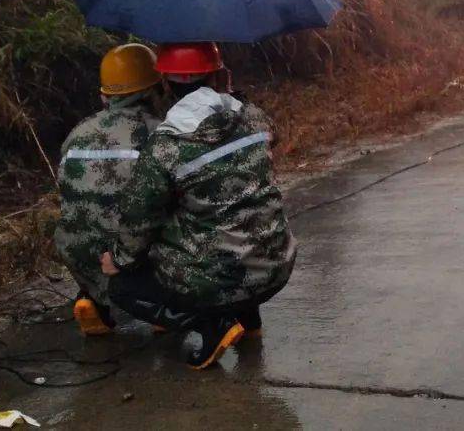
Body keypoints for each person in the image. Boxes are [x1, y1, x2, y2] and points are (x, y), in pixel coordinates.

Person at [101, 42, 297, 369]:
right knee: (239, 212)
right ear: (218, 75)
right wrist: (231, 93)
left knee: (123, 286)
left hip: (222, 285)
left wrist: (118, 259)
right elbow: (268, 137)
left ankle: (211, 327)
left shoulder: (165, 145)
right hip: (276, 269)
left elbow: (140, 220)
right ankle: (250, 322)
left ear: (164, 83)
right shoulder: (254, 117)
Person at [55, 43, 163, 336]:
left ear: (104, 95)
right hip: (129, 258)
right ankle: (160, 308)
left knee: (89, 222)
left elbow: (67, 194)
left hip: (80, 255)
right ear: (155, 89)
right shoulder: (159, 133)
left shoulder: (78, 132)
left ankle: (93, 302)